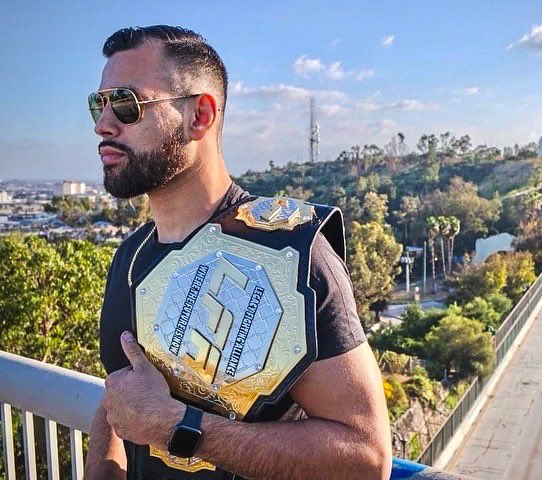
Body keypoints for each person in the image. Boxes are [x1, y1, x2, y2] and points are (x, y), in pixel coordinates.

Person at [84, 25, 392, 480]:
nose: (103, 125)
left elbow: (367, 458)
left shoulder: (291, 255)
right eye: (99, 103)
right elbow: (121, 401)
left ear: (199, 116)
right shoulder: (130, 257)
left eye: (127, 104)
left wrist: (177, 427)